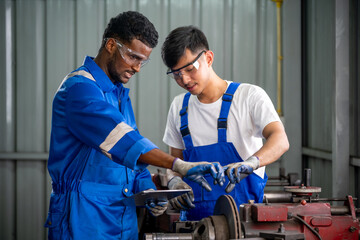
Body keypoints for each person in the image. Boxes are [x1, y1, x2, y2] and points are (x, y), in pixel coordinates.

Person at [44, 12, 225, 240]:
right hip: (82, 219)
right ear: (111, 45)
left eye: (142, 61)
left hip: (122, 220)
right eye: (133, 57)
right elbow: (123, 142)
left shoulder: (118, 94)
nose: (137, 68)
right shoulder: (79, 89)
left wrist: (148, 191)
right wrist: (178, 164)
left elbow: (134, 160)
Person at [161, 26, 290, 221]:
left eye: (189, 69)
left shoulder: (249, 97)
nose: (184, 79)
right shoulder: (179, 107)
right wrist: (174, 182)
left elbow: (280, 140)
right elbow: (175, 162)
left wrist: (251, 163)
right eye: (176, 74)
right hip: (195, 228)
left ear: (209, 58)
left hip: (244, 227)